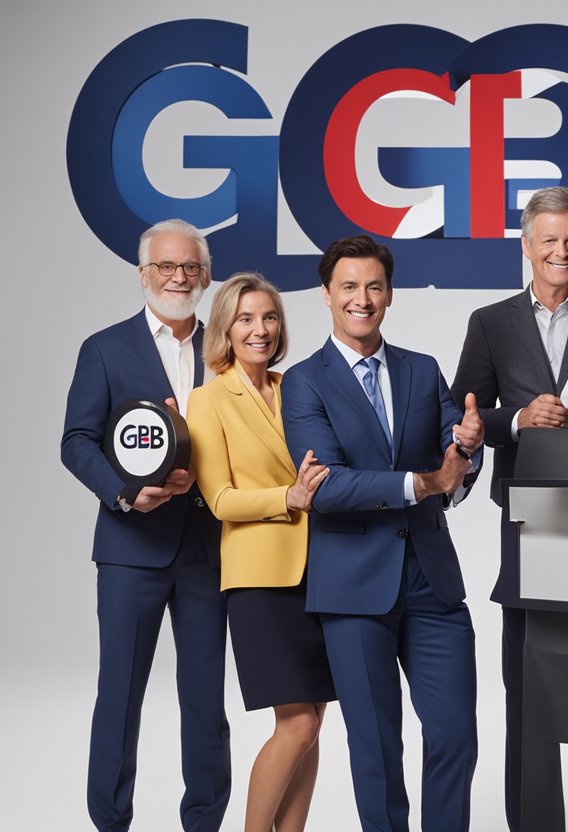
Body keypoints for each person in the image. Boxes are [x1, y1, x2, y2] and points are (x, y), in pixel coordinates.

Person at [281, 235, 484, 832]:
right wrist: (424, 483)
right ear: (326, 294)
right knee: (375, 749)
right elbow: (327, 486)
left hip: (432, 583)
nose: (362, 299)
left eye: (373, 286)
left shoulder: (421, 370)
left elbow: (456, 450)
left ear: (389, 294)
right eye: (349, 286)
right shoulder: (304, 382)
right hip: (352, 587)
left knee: (454, 736)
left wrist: (467, 449)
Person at [450, 186, 568, 832]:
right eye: (547, 240)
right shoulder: (491, 323)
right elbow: (460, 415)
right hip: (527, 518)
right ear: (525, 247)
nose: (561, 251)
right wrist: (519, 418)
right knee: (529, 690)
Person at [61, 218, 230, 831]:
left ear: (206, 276)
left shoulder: (226, 349)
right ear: (143, 274)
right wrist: (127, 493)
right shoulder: (105, 349)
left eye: (189, 267)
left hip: (210, 549)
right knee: (120, 695)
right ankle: (110, 823)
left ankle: (204, 822)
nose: (178, 277)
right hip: (131, 549)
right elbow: (76, 441)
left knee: (206, 700)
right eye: (166, 266)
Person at [186, 273, 335, 832]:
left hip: (319, 570)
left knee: (314, 720)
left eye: (269, 317)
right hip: (260, 578)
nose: (259, 329)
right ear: (224, 328)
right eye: (245, 319)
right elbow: (221, 499)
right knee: (295, 722)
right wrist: (289, 497)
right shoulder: (208, 399)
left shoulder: (295, 385)